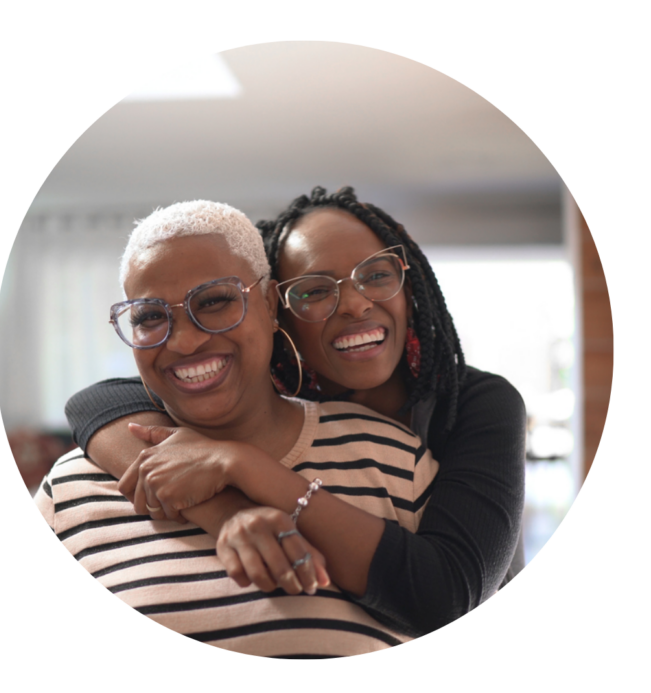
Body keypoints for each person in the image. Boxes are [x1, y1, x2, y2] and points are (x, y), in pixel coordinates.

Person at [65, 187, 527, 633]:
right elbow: (94, 403)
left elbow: (445, 593)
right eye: (314, 290)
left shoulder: (476, 405)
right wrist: (225, 513)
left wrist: (240, 464)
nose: (355, 303)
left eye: (377, 275)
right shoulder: (268, 390)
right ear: (276, 310)